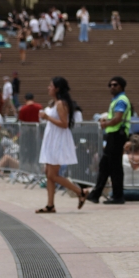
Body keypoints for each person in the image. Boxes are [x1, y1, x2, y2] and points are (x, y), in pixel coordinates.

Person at [37, 77, 89, 212]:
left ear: (57, 88)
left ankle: (80, 191)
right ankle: (50, 205)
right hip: (52, 139)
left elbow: (64, 124)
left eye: (51, 86)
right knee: (49, 173)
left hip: (58, 140)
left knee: (53, 175)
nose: (48, 88)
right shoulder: (56, 103)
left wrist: (47, 117)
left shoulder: (61, 103)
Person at [87, 76, 132, 205]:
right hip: (114, 135)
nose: (112, 87)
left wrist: (106, 124)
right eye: (110, 85)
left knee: (114, 166)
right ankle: (96, 193)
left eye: (115, 85)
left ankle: (117, 196)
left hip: (117, 134)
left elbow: (118, 118)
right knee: (105, 165)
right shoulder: (116, 100)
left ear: (121, 86)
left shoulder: (121, 100)